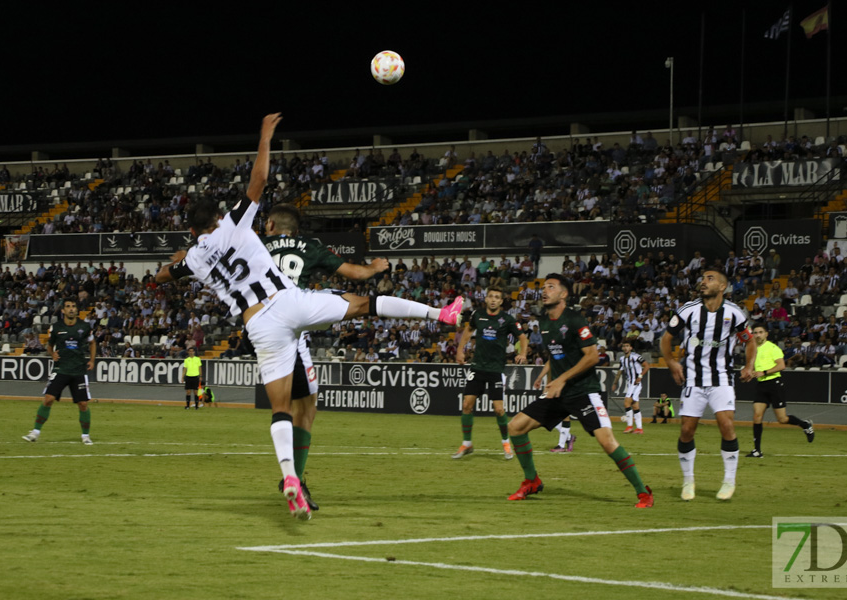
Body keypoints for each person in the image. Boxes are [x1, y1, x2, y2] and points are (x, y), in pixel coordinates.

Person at [155, 114, 464, 521]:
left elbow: (162, 276)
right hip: (288, 302)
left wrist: (178, 260)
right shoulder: (233, 223)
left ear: (192, 230)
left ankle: (289, 479)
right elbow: (260, 180)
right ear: (216, 219)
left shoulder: (193, 258)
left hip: (259, 327)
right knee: (362, 305)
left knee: (281, 408)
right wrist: (265, 136)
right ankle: (441, 314)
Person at [261, 202, 390, 511]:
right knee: (306, 408)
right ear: (295, 230)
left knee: (288, 405)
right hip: (291, 330)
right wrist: (375, 267)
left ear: (270, 226)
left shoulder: (256, 244)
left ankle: (292, 477)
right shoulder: (308, 246)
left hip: (259, 326)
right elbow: (354, 273)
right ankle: (295, 479)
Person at [504, 274, 652, 508]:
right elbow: (556, 355)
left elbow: (593, 356)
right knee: (515, 426)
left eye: (551, 287)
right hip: (559, 392)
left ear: (563, 294)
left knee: (607, 442)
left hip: (584, 390)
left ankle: (643, 493)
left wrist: (562, 379)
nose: (545, 291)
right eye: (544, 287)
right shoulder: (544, 322)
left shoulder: (575, 320)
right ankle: (531, 481)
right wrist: (546, 377)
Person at [660, 269, 756, 502]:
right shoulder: (688, 310)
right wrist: (672, 362)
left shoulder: (734, 313)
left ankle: (729, 481)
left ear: (723, 286)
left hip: (721, 378)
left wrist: (749, 365)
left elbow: (750, 341)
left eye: (709, 279)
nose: (703, 282)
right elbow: (666, 338)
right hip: (693, 378)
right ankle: (688, 480)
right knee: (686, 430)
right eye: (702, 278)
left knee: (726, 424)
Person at [452, 285, 527, 460]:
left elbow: (522, 337)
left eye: (497, 297)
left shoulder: (507, 319)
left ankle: (506, 443)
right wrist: (460, 350)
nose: (493, 299)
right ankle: (467, 443)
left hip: (495, 369)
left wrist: (522, 353)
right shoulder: (478, 315)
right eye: (491, 296)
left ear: (501, 301)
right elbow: (468, 331)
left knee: (499, 410)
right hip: (477, 367)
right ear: (486, 298)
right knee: (466, 406)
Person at [21, 298, 96, 445]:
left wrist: (92, 360)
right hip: (60, 368)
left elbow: (92, 343)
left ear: (76, 310)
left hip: (78, 369)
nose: (71, 309)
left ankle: (85, 436)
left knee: (83, 404)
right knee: (48, 399)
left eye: (73, 306)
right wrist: (52, 353)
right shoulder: (56, 327)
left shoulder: (85, 326)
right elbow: (50, 345)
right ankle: (35, 432)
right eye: (68, 306)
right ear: (63, 311)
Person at [747, 323, 815, 458]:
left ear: (766, 334)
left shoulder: (773, 348)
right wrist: (750, 373)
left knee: (782, 419)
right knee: (757, 416)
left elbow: (781, 365)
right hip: (761, 385)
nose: (758, 335)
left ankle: (805, 424)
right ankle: (757, 450)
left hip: (774, 384)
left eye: (760, 332)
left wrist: (764, 372)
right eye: (755, 332)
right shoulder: (752, 348)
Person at [612, 341, 649, 434]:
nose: (625, 348)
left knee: (626, 403)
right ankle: (639, 428)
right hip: (630, 383)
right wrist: (615, 383)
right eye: (624, 346)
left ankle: (629, 426)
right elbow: (620, 372)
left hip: (635, 383)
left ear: (631, 348)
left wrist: (640, 376)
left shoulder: (636, 356)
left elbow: (647, 366)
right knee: (635, 406)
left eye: (627, 346)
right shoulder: (622, 359)